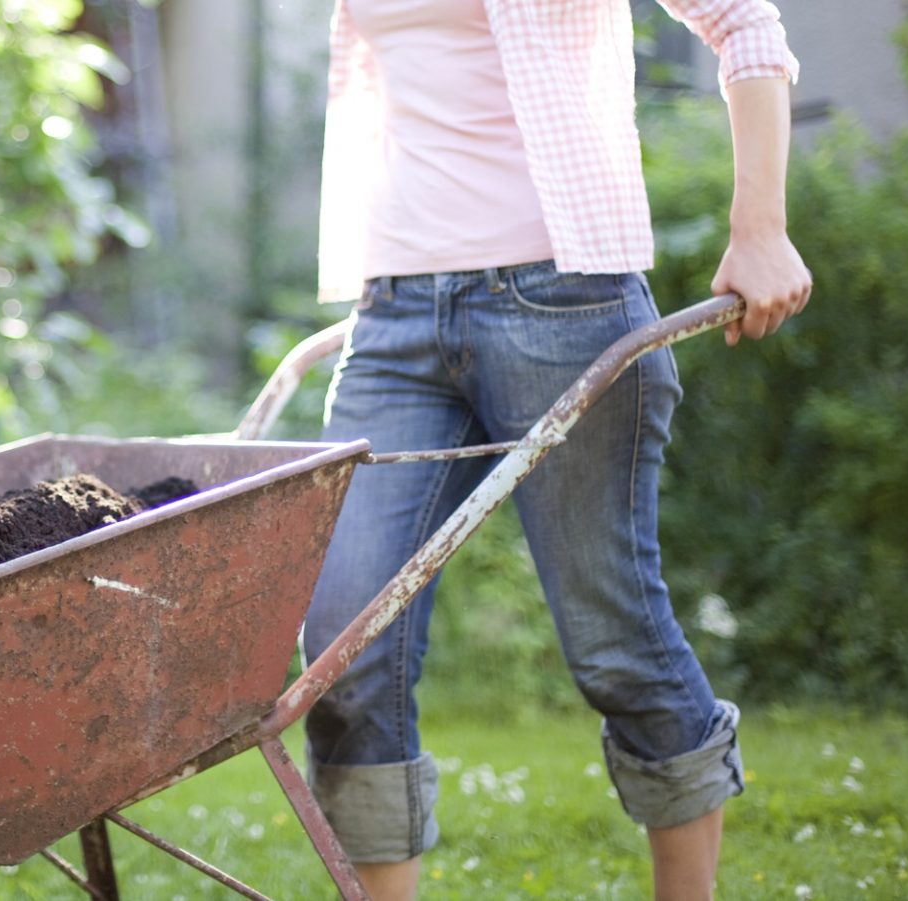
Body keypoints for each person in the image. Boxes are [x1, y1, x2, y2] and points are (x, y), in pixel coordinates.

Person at [303, 1, 812, 898]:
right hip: (391, 317)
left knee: (613, 639)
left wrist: (760, 229)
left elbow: (745, 22)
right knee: (344, 650)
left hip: (561, 302)